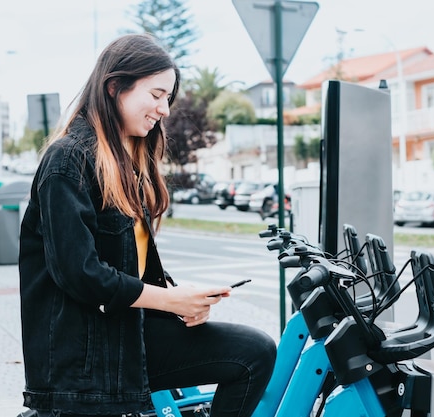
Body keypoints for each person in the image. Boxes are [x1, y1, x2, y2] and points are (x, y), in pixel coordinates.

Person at [18, 33, 277, 417]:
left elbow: (127, 263)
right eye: (156, 95)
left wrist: (180, 298)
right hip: (85, 360)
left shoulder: (126, 162)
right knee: (252, 353)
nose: (165, 110)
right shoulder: (68, 161)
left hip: (126, 337)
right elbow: (81, 273)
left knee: (254, 352)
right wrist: (168, 301)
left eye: (168, 98)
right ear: (115, 87)